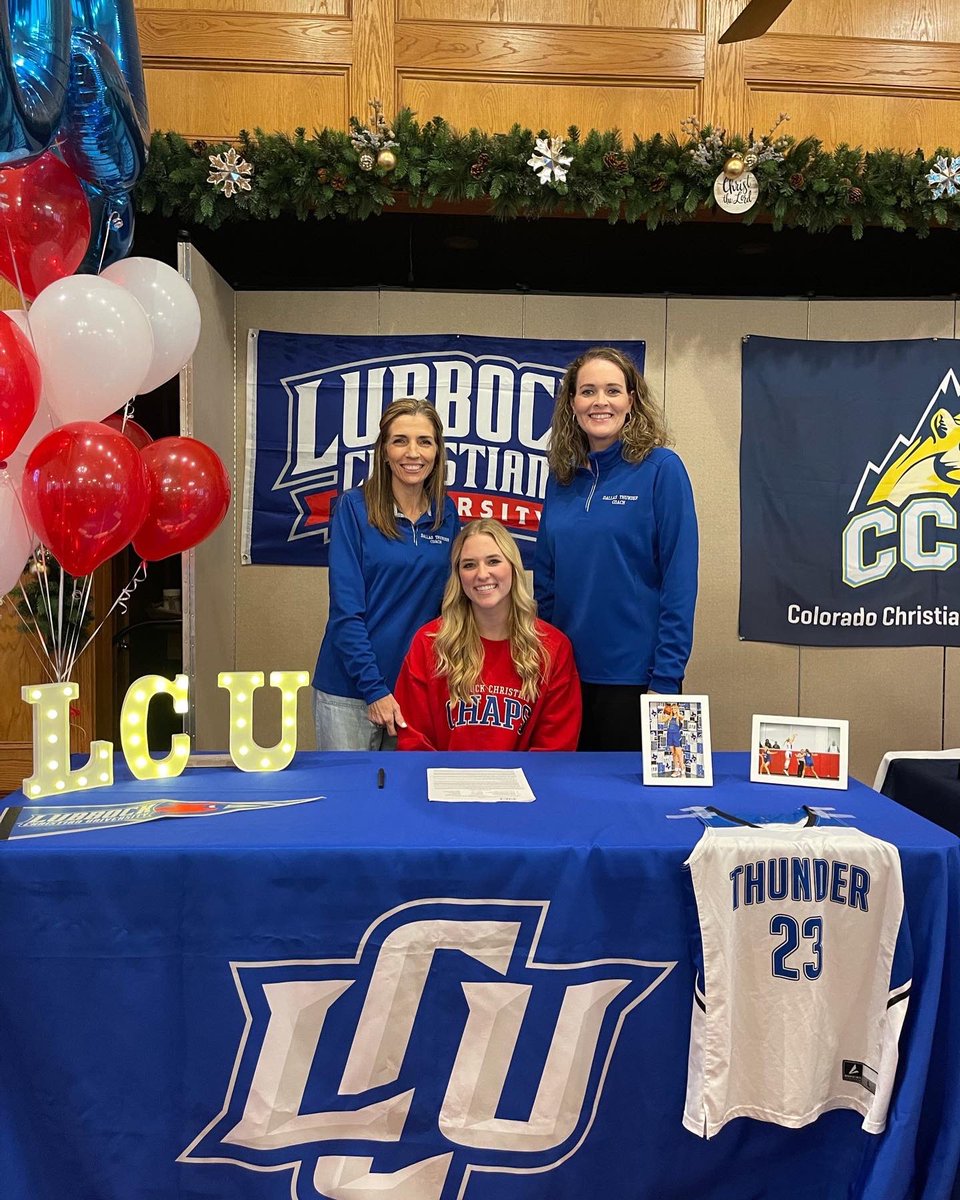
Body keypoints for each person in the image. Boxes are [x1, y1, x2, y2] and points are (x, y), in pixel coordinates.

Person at [534, 346, 699, 751]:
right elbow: (547, 582)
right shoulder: (562, 479)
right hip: (566, 679)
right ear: (572, 404)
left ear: (631, 401)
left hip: (638, 681)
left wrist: (666, 678)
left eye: (612, 390)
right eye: (587, 391)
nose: (600, 402)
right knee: (569, 801)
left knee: (636, 808)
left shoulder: (662, 469)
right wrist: (544, 665)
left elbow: (680, 580)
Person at [312, 398, 459, 750]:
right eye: (400, 441)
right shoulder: (354, 508)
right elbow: (346, 612)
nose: (413, 453)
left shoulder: (446, 514)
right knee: (349, 802)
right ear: (384, 451)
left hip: (414, 690)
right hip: (349, 691)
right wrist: (374, 688)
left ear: (438, 451)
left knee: (401, 801)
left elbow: (454, 605)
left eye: (424, 441)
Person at [394, 519, 581, 750]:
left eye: (493, 561)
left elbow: (555, 749)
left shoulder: (553, 647)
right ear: (458, 576)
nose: (482, 575)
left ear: (513, 567)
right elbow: (414, 741)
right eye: (469, 565)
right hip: (446, 783)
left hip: (524, 784)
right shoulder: (429, 643)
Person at [662, 702, 685, 777]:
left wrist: (677, 712)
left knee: (679, 754)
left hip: (676, 736)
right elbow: (661, 720)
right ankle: (676, 770)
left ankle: (682, 768)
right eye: (672, 708)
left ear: (677, 709)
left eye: (675, 708)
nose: (673, 709)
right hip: (670, 736)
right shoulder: (670, 717)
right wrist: (664, 711)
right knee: (674, 754)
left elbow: (682, 717)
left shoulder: (679, 717)